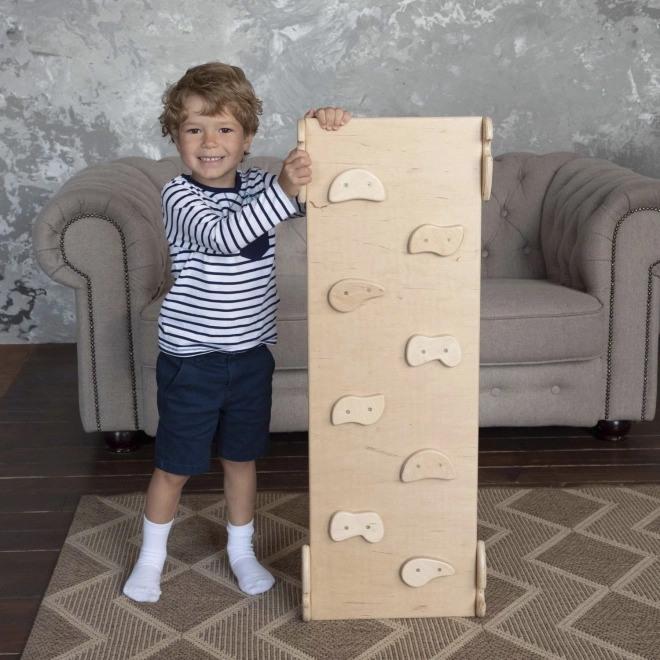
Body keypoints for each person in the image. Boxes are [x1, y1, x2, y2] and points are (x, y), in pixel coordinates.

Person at [122, 61, 351, 603]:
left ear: (247, 137)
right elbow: (226, 236)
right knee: (175, 466)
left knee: (241, 459)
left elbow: (321, 198)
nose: (209, 141)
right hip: (192, 360)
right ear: (175, 136)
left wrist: (324, 130)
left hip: (250, 357)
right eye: (194, 128)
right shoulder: (179, 196)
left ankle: (241, 550)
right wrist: (283, 191)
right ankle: (150, 559)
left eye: (224, 128)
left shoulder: (259, 186)